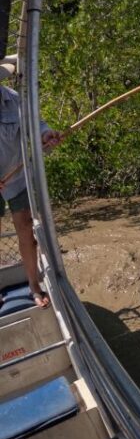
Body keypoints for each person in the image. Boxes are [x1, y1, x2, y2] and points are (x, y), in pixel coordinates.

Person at [0, 84, 64, 308]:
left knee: (27, 232)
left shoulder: (14, 98)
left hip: (16, 177)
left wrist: (46, 136)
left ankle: (34, 286)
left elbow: (36, 125)